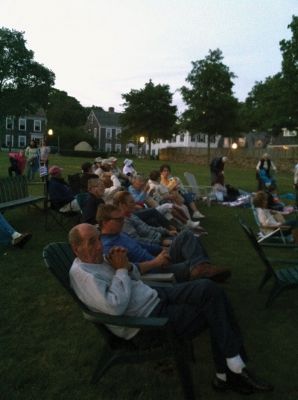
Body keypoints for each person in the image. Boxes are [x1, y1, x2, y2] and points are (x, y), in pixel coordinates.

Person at [68, 223, 273, 395]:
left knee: (210, 289)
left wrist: (127, 267)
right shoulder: (85, 277)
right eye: (92, 242)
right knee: (216, 306)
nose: (99, 246)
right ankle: (232, 370)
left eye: (98, 239)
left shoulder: (99, 260)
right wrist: (121, 270)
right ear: (76, 248)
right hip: (147, 323)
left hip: (155, 295)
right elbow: (115, 307)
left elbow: (134, 277)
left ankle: (228, 371)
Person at [97, 204, 231, 282]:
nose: (122, 221)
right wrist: (155, 262)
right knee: (192, 261)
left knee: (186, 236)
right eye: (118, 219)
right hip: (152, 271)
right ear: (104, 222)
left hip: (158, 259)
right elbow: (127, 268)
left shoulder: (120, 233)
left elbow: (143, 246)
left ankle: (202, 269)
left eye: (122, 218)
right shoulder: (108, 247)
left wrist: (161, 249)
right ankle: (202, 270)